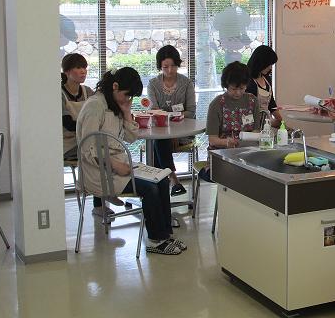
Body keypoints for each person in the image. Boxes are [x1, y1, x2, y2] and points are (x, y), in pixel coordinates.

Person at [76, 67, 185, 255]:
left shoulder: (115, 104)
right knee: (149, 188)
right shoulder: (95, 106)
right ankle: (155, 240)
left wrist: (127, 113)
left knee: (161, 180)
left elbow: (131, 137)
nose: (128, 100)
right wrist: (116, 164)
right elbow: (88, 148)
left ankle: (165, 235)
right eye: (127, 96)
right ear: (115, 86)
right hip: (100, 173)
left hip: (119, 167)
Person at [147, 45, 196, 196]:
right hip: (161, 131)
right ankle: (173, 180)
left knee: (158, 143)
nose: (169, 70)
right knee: (160, 141)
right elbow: (154, 111)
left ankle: (158, 188)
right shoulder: (153, 84)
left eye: (173, 66)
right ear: (160, 66)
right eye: (165, 66)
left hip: (183, 131)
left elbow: (191, 111)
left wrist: (174, 132)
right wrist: (169, 130)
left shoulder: (186, 83)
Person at [61, 54, 104, 214]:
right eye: (78, 68)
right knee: (98, 153)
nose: (83, 72)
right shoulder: (60, 94)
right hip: (68, 144)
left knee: (102, 150)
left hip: (85, 140)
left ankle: (100, 201)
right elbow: (68, 124)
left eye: (84, 68)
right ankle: (99, 203)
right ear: (66, 72)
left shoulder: (88, 92)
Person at [206, 61, 260, 149]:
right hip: (223, 152)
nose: (238, 93)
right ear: (226, 86)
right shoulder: (217, 104)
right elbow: (212, 140)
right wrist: (226, 142)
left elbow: (256, 130)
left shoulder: (253, 101)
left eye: (242, 88)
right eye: (234, 89)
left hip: (248, 150)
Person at [246, 45, 282, 128]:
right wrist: (268, 122)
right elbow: (246, 111)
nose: (270, 67)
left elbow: (271, 104)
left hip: (264, 121)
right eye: (269, 64)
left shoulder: (266, 78)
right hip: (250, 123)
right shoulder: (248, 82)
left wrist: (281, 122)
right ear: (261, 63)